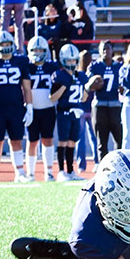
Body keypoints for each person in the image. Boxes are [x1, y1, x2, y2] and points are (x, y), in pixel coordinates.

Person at [0, 31, 33, 182]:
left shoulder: (21, 61)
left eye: (8, 44)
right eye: (2, 45)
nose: (5, 47)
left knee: (16, 140)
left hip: (16, 107)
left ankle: (20, 173)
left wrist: (29, 107)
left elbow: (27, 88)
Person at [50, 43, 87, 181]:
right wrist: (65, 86)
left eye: (73, 60)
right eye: (68, 60)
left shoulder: (81, 76)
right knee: (63, 142)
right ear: (63, 60)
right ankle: (61, 171)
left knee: (72, 142)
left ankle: (71, 171)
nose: (71, 63)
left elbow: (83, 98)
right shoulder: (59, 75)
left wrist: (87, 89)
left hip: (76, 112)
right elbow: (52, 97)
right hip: (64, 112)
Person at [26, 36, 60, 181]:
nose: (38, 52)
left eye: (41, 50)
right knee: (32, 141)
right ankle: (31, 173)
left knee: (48, 140)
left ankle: (49, 171)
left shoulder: (52, 66)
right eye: (35, 50)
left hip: (48, 108)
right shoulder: (26, 66)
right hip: (31, 109)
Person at [85, 41, 122, 161]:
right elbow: (87, 86)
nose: (106, 51)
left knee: (119, 140)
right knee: (102, 142)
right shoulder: (94, 66)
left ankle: (119, 166)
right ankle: (103, 168)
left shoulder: (118, 66)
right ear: (99, 52)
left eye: (108, 49)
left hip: (115, 106)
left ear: (112, 51)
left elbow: (124, 86)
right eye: (103, 49)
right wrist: (92, 83)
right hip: (99, 106)